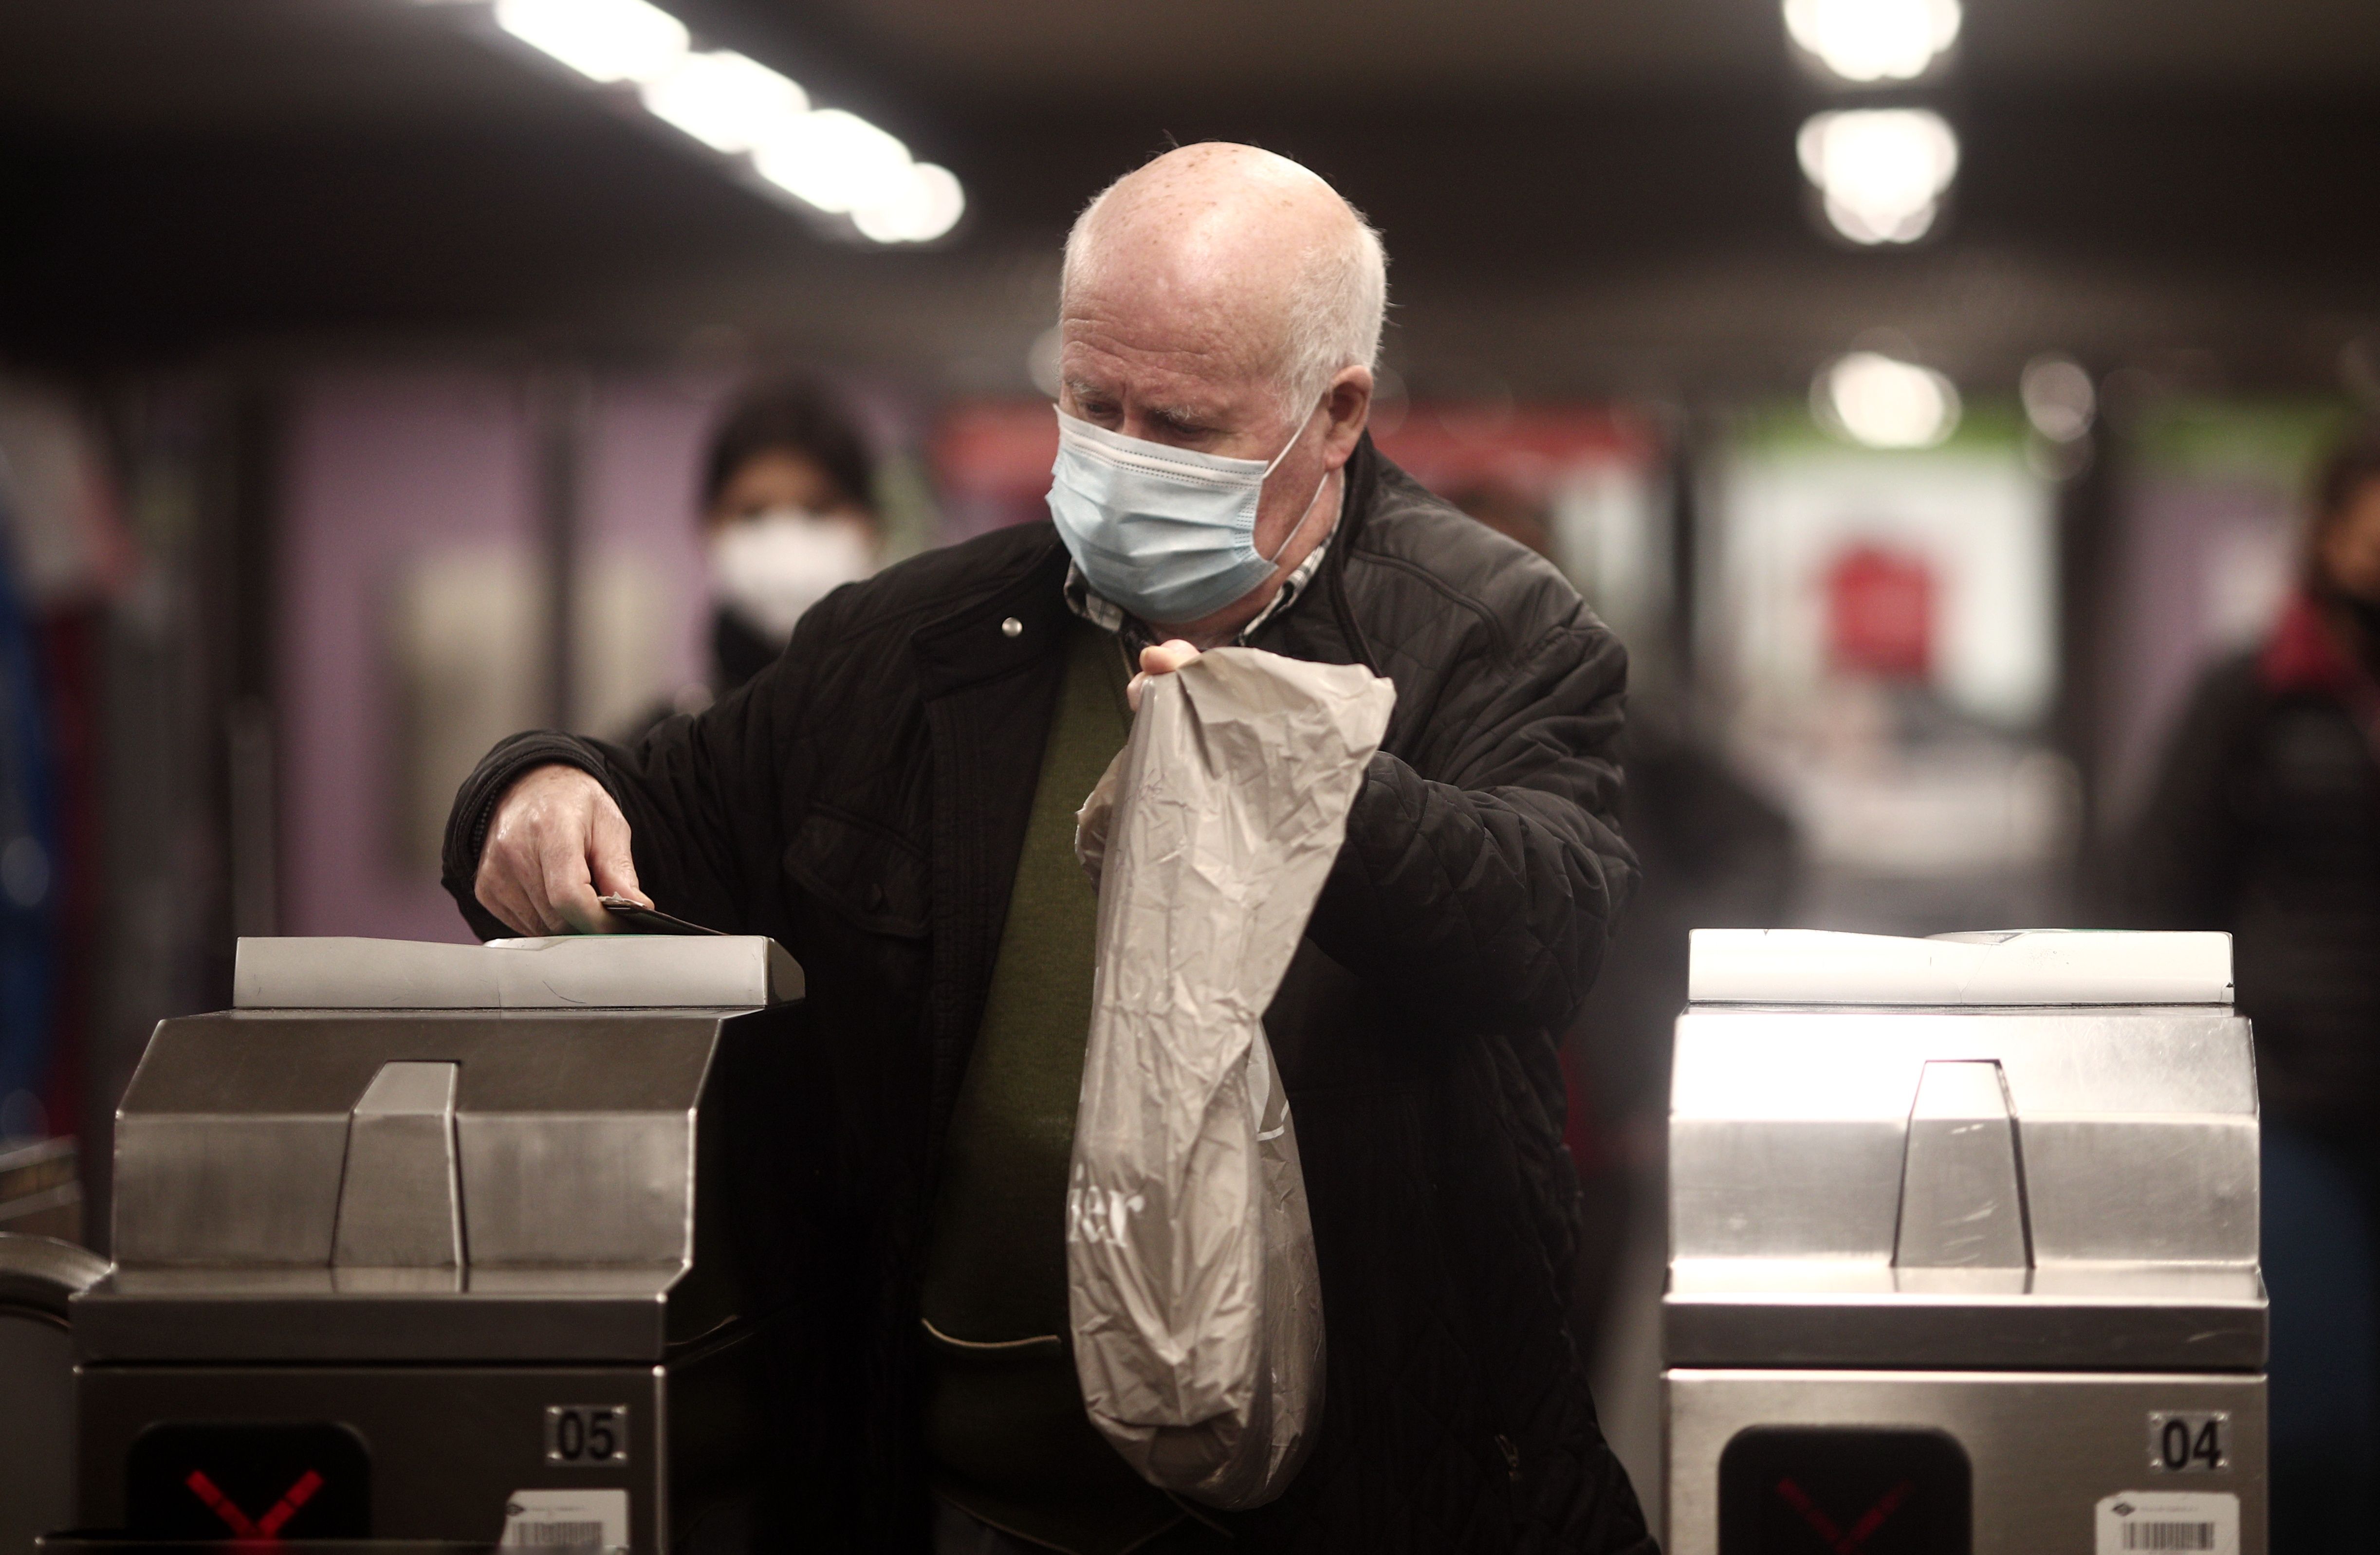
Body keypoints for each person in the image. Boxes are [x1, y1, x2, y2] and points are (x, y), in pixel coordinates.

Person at [441, 143, 1652, 1555]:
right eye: (1093, 404)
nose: (1124, 458)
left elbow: (1545, 925)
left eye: (1185, 425)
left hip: (1364, 1500)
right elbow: (658, 806)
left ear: (1336, 414)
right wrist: (526, 790)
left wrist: (1310, 778)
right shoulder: (906, 652)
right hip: (959, 1498)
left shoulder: (1493, 635)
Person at [2123, 423, 2380, 1550]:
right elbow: (2151, 887)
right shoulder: (2255, 691)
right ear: (2329, 533)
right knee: (2317, 1417)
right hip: (2292, 1103)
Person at [693, 377, 882, 702]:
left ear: (872, 524)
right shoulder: (665, 745)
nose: (785, 540)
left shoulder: (928, 738)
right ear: (708, 525)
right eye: (753, 514)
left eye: (816, 511)